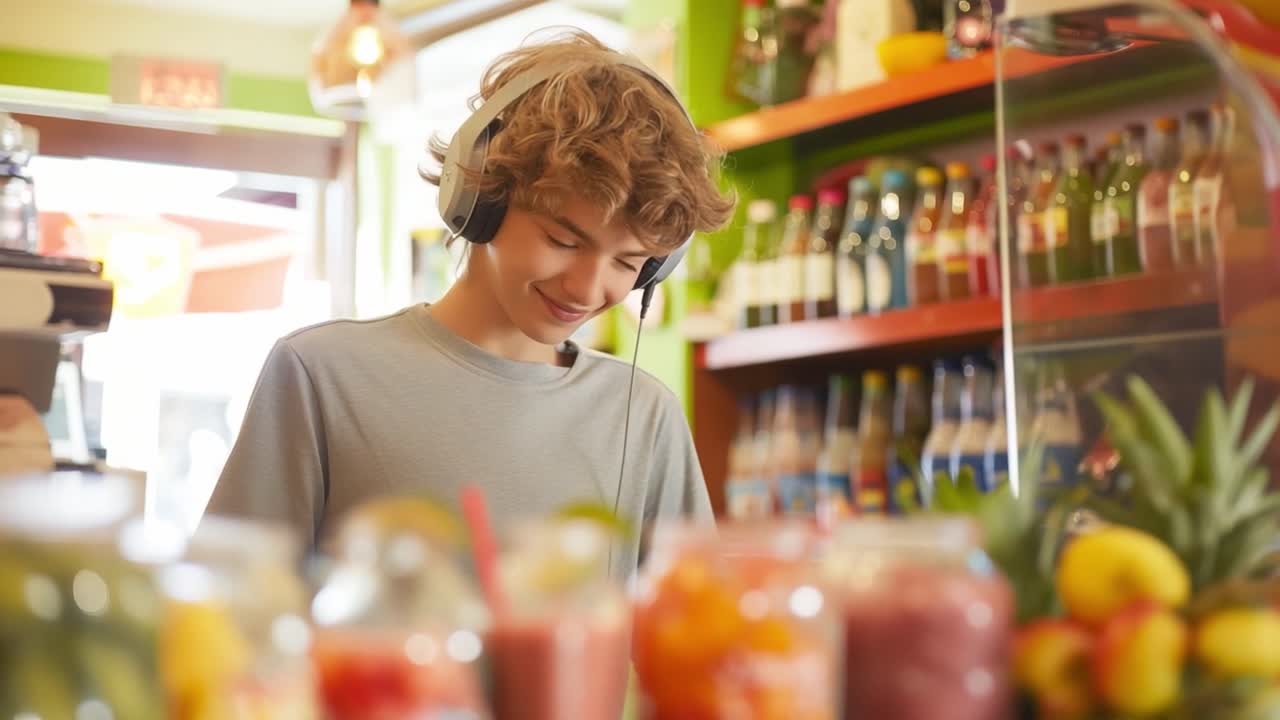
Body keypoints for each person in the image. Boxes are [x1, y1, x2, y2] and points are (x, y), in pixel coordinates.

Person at [204, 30, 735, 577]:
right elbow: (221, 620)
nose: (585, 287)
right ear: (481, 195)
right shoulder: (322, 376)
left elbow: (699, 638)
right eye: (563, 240)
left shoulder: (646, 417)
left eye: (627, 263)